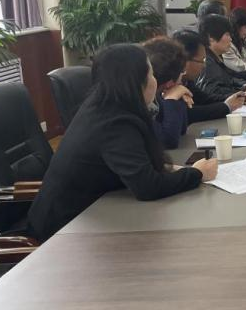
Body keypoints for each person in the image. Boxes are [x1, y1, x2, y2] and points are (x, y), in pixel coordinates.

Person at [26, 44, 217, 241]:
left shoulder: (107, 106)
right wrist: (197, 173)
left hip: (96, 215)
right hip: (64, 233)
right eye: (151, 74)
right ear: (136, 82)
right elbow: (147, 187)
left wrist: (170, 169)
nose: (155, 80)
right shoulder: (114, 123)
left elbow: (139, 164)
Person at [172, 29, 246, 122]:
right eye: (202, 60)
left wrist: (239, 98)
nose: (204, 65)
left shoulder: (186, 80)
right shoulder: (168, 84)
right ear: (185, 60)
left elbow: (205, 99)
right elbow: (189, 113)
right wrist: (226, 106)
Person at [197, 15, 246, 100]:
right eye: (227, 35)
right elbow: (213, 92)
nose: (230, 39)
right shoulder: (206, 62)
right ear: (211, 38)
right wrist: (244, 93)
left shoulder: (216, 57)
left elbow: (230, 78)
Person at [142, 36, 191, 149]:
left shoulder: (157, 96)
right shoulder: (138, 103)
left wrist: (177, 96)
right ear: (169, 83)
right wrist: (172, 100)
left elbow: (182, 130)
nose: (183, 75)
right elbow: (169, 140)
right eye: (182, 72)